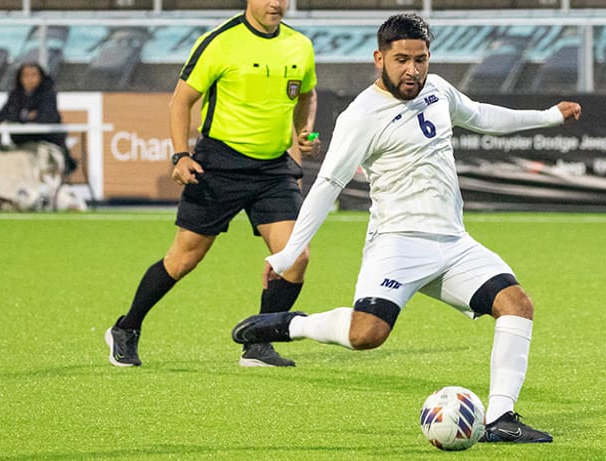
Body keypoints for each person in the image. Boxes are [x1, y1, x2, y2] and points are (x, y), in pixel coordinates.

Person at [230, 13, 580, 443]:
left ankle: (502, 418)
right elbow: (327, 186)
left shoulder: (437, 90)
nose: (412, 70)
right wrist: (287, 254)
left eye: (420, 59)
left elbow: (482, 116)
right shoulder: (361, 115)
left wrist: (548, 117)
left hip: (453, 243)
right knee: (366, 335)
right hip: (397, 244)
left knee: (517, 305)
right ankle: (289, 325)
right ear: (379, 58)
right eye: (401, 60)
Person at [104, 0, 319, 368]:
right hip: (219, 165)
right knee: (184, 257)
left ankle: (259, 343)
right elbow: (181, 101)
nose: (276, 3)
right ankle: (126, 328)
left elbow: (307, 93)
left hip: (273, 170)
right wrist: (179, 155)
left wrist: (304, 133)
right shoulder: (219, 41)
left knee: (295, 259)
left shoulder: (300, 45)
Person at [0, 62, 75, 175]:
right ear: (20, 77)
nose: (29, 79)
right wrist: (27, 116)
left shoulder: (48, 93)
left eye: (33, 75)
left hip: (47, 140)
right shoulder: (15, 94)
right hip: (22, 141)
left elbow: (46, 117)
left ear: (41, 76)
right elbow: (1, 116)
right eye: (26, 75)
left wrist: (20, 116)